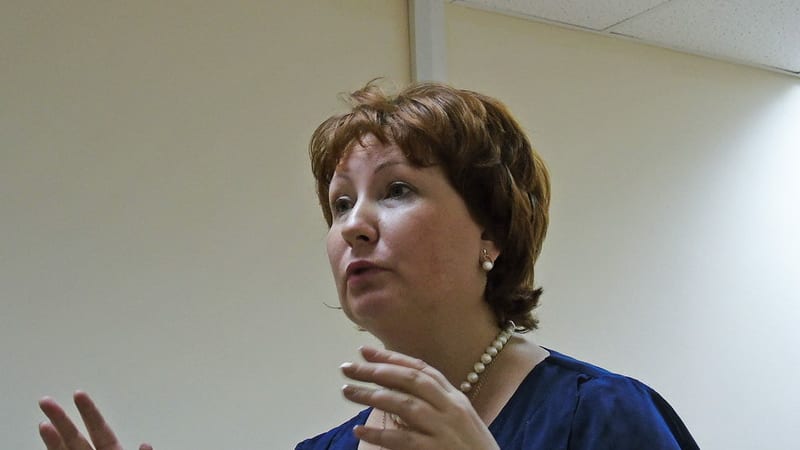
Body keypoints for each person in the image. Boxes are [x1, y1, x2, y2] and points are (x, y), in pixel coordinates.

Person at [36, 82, 700, 450]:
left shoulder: (602, 417)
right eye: (340, 203)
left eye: (397, 190)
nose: (353, 224)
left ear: (491, 232)